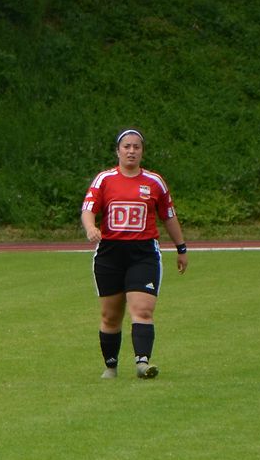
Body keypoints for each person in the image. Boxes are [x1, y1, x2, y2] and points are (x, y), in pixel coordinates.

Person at [80, 128, 189, 379]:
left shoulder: (154, 182)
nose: (131, 151)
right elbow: (88, 210)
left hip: (143, 254)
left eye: (136, 147)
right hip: (110, 254)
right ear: (118, 151)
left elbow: (169, 216)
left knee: (143, 310)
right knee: (110, 315)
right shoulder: (104, 180)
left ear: (142, 151)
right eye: (126, 146)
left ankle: (142, 363)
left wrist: (181, 248)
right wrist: (90, 228)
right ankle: (111, 366)